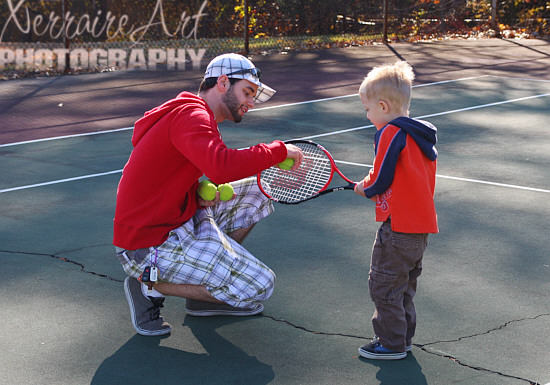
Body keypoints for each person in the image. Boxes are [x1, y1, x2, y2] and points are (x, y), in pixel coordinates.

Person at [113, 53, 304, 336]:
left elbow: (168, 172)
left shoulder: (195, 114)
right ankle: (147, 286)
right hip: (146, 246)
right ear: (223, 82)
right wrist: (278, 150)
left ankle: (201, 297)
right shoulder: (192, 115)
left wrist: (194, 193)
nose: (251, 102)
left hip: (177, 220)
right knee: (259, 287)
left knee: (258, 191)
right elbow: (220, 167)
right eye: (247, 92)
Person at [353, 61, 438, 360]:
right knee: (404, 287)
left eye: (367, 110)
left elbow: (380, 179)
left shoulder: (389, 132)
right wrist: (374, 179)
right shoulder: (419, 136)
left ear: (383, 106)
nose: (367, 116)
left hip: (398, 227)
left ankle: (390, 344)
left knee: (384, 284)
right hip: (420, 230)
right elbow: (397, 172)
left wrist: (366, 186)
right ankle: (403, 338)